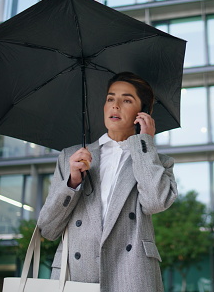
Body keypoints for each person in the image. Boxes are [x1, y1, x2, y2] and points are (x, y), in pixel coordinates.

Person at [37, 72, 178, 292]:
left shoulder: (158, 162)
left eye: (127, 100)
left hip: (132, 275)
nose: (115, 105)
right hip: (76, 276)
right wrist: (73, 182)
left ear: (143, 113)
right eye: (110, 98)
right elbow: (47, 228)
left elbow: (155, 202)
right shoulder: (71, 157)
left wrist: (144, 144)